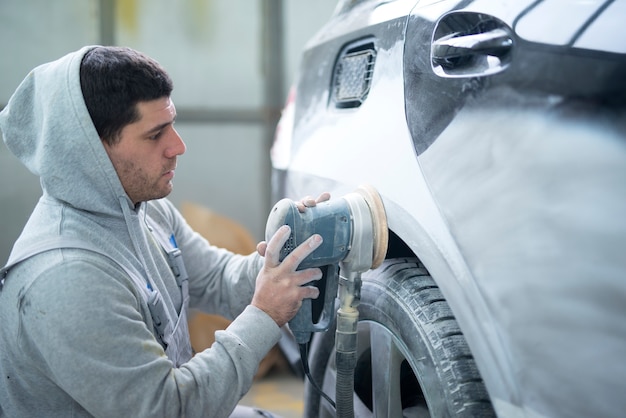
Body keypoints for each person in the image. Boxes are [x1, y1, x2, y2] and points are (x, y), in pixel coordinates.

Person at [0, 45, 329, 418]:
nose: (178, 146)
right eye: (155, 134)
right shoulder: (67, 278)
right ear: (90, 149)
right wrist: (265, 315)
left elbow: (219, 278)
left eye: (172, 124)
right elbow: (168, 409)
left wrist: (290, 251)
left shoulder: (146, 210)